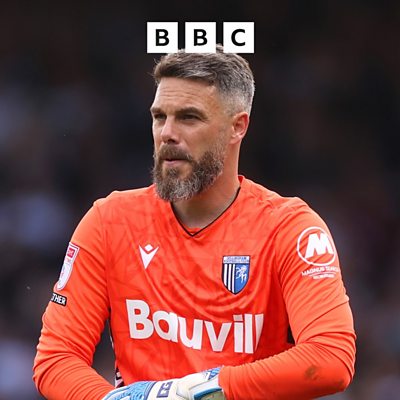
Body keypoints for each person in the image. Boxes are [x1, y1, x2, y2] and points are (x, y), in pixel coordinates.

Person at [33, 45, 356, 400]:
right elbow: (56, 359)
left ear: (237, 127)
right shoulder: (109, 222)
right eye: (160, 117)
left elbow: (330, 359)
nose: (167, 133)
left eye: (189, 118)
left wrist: (195, 391)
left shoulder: (290, 229)